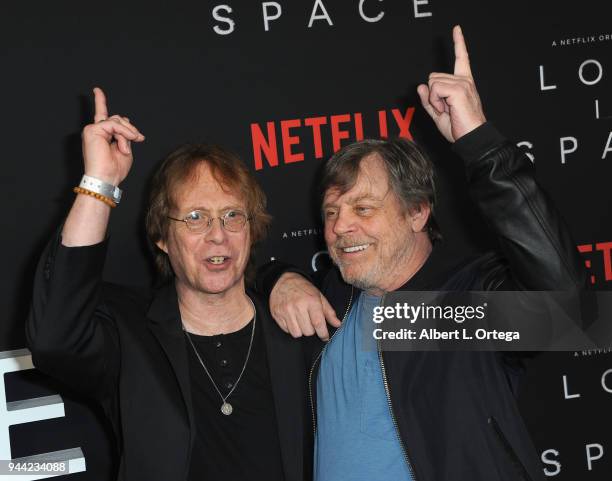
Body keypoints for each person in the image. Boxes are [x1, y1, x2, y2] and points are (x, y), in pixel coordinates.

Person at [259, 26, 586, 481]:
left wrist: (480, 144)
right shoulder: (332, 298)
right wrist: (277, 277)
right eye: (331, 212)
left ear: (417, 211)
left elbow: (564, 310)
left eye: (364, 208)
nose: (340, 226)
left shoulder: (463, 303)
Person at [27, 88, 311, 481]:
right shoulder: (129, 336)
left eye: (233, 215)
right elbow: (54, 337)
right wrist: (99, 182)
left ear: (252, 230)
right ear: (162, 236)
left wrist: (283, 276)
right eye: (195, 217)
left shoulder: (297, 324)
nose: (218, 235)